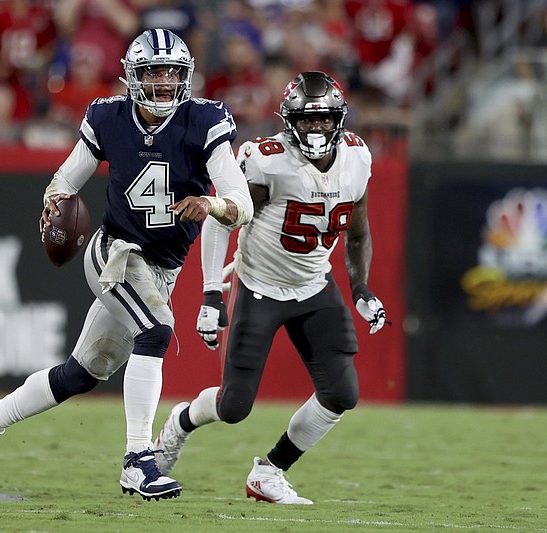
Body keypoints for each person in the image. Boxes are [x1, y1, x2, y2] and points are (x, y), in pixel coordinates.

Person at [0, 28, 253, 501]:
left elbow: (241, 204)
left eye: (174, 72)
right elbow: (66, 179)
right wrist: (53, 201)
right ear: (134, 76)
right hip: (115, 252)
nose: (166, 82)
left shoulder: (204, 121)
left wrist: (211, 206)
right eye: (155, 72)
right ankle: (138, 460)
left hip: (161, 270)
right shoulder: (109, 117)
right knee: (156, 330)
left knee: (80, 373)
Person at [153, 71, 388, 504]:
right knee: (233, 407)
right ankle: (181, 422)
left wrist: (361, 288)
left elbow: (358, 232)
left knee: (342, 393)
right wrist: (210, 294)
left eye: (324, 119)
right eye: (307, 119)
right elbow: (222, 218)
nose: (316, 128)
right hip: (260, 286)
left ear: (339, 119)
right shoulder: (266, 160)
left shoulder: (357, 157)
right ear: (288, 120)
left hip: (315, 286)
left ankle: (270, 471)